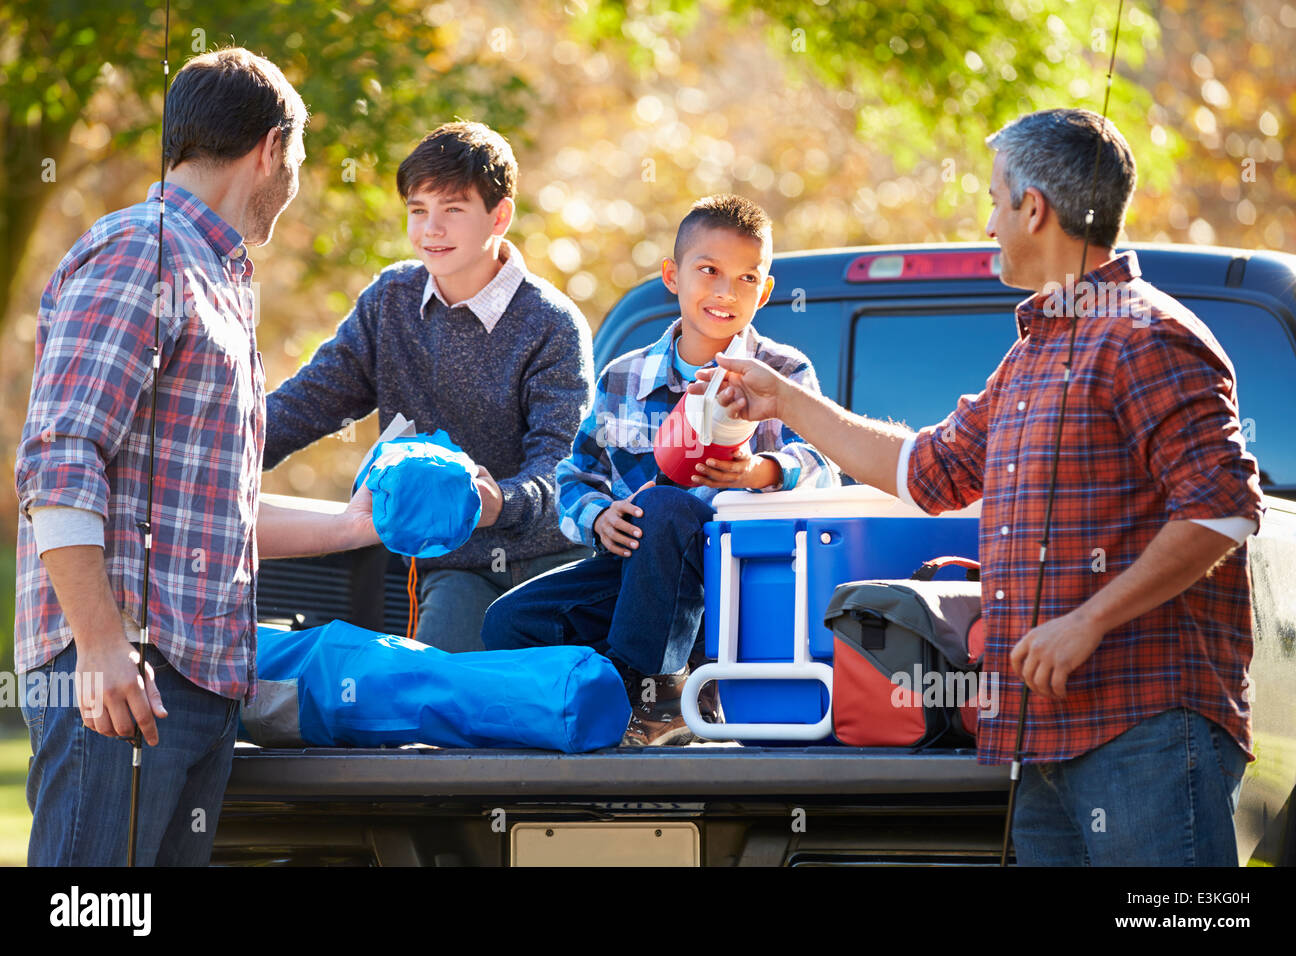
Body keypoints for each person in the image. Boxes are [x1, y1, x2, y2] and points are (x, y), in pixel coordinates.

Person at [691, 110, 1264, 864]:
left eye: (995, 200)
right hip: (1039, 738)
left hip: (1147, 729)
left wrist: (1086, 621)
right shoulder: (1026, 360)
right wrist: (784, 402)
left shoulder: (1149, 336)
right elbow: (925, 472)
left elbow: (1222, 509)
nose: (988, 221)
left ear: (1035, 208)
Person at [14, 48, 379, 867]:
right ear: (271, 147)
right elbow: (58, 460)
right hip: (120, 678)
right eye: (301, 159)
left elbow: (218, 514)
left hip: (193, 681)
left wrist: (358, 524)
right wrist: (104, 648)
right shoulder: (141, 252)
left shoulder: (216, 276)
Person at [482, 194, 839, 746]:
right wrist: (600, 517)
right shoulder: (623, 377)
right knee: (509, 622)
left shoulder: (785, 371)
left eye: (747, 278)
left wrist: (759, 472)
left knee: (666, 504)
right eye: (709, 271)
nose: (726, 292)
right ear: (673, 276)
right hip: (638, 579)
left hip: (740, 579)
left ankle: (659, 704)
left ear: (765, 292)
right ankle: (595, 699)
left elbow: (823, 465)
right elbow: (576, 475)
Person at [263, 121, 595, 654]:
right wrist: (211, 457)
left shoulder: (551, 323)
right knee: (437, 704)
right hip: (455, 566)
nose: (431, 229)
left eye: (453, 210)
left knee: (537, 713)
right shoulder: (390, 300)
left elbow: (562, 466)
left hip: (553, 563)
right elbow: (307, 403)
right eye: (418, 210)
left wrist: (496, 503)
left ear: (500, 215)